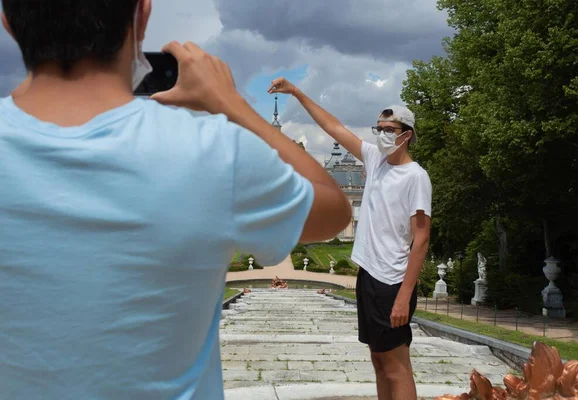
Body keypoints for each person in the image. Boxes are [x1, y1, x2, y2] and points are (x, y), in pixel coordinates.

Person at [0, 1, 352, 399]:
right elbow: (333, 209)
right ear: (142, 15)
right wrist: (230, 103)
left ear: (7, 21)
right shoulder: (213, 151)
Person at [269, 78, 432, 400]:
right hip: (370, 275)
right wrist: (299, 93)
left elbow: (422, 238)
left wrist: (404, 296)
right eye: (378, 128)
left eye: (389, 129)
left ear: (406, 135)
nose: (382, 135)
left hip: (392, 281)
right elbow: (333, 126)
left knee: (397, 366)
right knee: (379, 361)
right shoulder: (375, 160)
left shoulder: (417, 177)